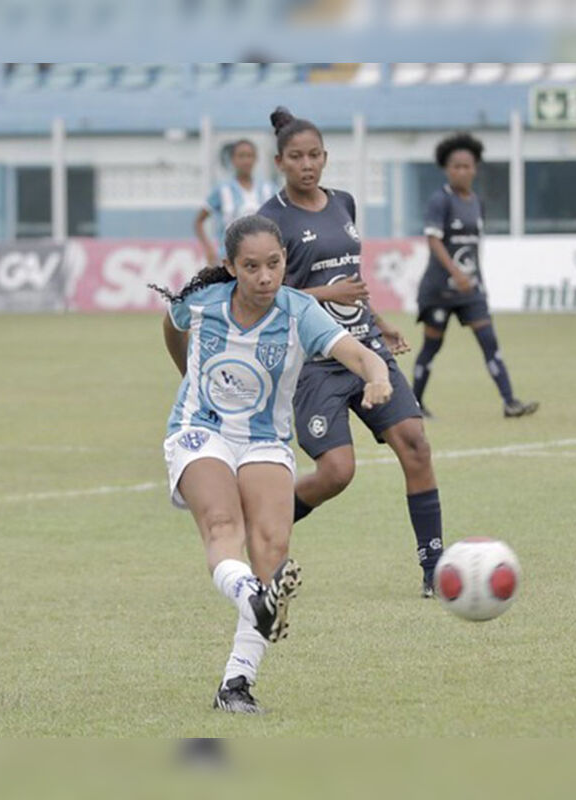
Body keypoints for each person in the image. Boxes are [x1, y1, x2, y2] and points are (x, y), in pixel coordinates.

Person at [155, 214, 392, 714]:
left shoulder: (299, 311)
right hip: (202, 430)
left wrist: (377, 377)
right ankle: (255, 599)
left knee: (272, 550)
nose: (265, 277)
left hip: (263, 439)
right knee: (224, 526)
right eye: (251, 267)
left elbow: (361, 355)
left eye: (275, 264)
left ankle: (235, 685)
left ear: (285, 261)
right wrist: (185, 374)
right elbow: (171, 325)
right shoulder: (201, 304)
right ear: (230, 267)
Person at [257, 106, 446, 598]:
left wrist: (378, 323)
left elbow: (350, 282)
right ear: (280, 161)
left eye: (315, 155)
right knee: (337, 473)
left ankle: (434, 567)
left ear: (326, 157)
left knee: (416, 444)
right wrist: (326, 298)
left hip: (363, 349)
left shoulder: (344, 203)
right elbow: (265, 293)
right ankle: (265, 517)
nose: (307, 165)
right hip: (314, 362)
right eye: (296, 157)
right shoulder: (269, 219)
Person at [412, 132, 538, 420]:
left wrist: (474, 279)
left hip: (471, 290)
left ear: (475, 169)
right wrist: (456, 272)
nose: (462, 171)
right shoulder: (439, 201)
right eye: (456, 166)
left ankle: (510, 402)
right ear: (446, 169)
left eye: (467, 166)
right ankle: (415, 404)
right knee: (432, 346)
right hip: (440, 290)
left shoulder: (476, 203)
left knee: (489, 340)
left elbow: (473, 246)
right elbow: (433, 241)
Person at [193, 139, 277, 266]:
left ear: (256, 159)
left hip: (262, 261)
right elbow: (199, 221)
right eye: (241, 156)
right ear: (233, 160)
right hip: (228, 260)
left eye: (249, 156)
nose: (246, 161)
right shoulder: (222, 190)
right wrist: (209, 248)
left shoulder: (268, 189)